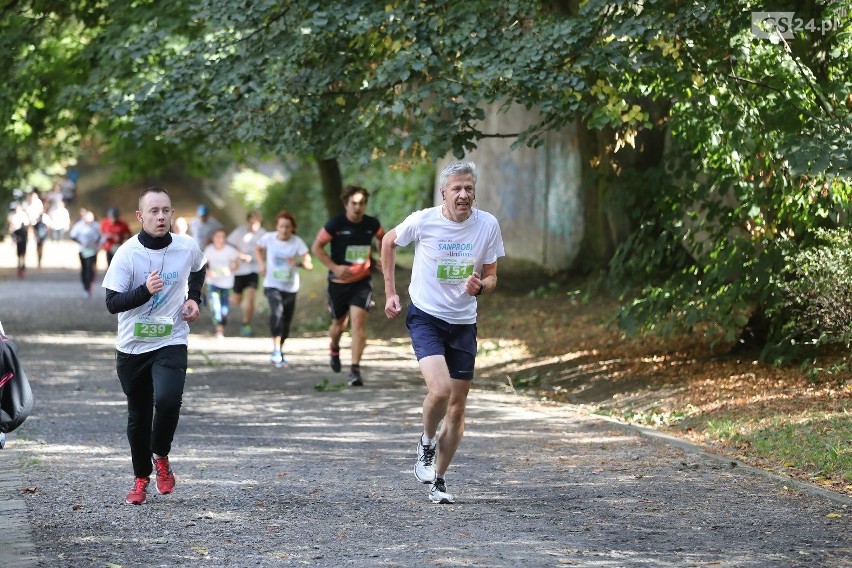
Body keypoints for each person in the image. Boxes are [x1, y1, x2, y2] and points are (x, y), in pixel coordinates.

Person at [381, 161, 505, 505]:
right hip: (427, 316)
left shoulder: (488, 225)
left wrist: (481, 286)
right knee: (440, 390)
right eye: (457, 189)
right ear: (444, 193)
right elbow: (389, 242)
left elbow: (493, 276)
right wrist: (391, 291)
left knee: (458, 407)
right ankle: (425, 442)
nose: (463, 194)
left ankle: (439, 479)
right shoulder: (424, 220)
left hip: (463, 323)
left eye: (469, 188)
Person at [102, 186, 206, 505]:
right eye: (153, 211)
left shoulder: (187, 246)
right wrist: (145, 291)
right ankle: (140, 478)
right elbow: (112, 303)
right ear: (140, 216)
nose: (161, 216)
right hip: (133, 347)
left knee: (169, 399)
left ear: (172, 213)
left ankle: (160, 456)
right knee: (139, 414)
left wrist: (193, 298)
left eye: (166, 210)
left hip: (171, 338)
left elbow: (200, 269)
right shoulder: (127, 253)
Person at [310, 185, 385, 386]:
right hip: (338, 283)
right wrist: (334, 267)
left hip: (361, 282)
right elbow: (316, 247)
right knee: (338, 326)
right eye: (354, 203)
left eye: (361, 203)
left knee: (358, 325)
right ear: (346, 204)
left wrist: (381, 258)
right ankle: (334, 347)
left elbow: (383, 239)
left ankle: (355, 369)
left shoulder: (371, 224)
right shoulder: (335, 224)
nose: (357, 207)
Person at [256, 210, 313, 368]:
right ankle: (276, 351)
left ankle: (279, 350)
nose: (284, 230)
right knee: (277, 313)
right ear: (277, 227)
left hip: (290, 288)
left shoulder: (297, 242)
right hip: (272, 285)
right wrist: (261, 263)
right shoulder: (268, 238)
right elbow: (258, 248)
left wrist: (299, 263)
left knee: (286, 321)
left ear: (292, 228)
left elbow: (309, 264)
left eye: (287, 227)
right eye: (281, 226)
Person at [227, 211, 266, 336]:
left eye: (257, 223)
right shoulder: (239, 232)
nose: (254, 225)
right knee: (237, 301)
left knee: (251, 296)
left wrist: (262, 258)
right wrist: (241, 255)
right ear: (248, 221)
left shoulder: (263, 234)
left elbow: (267, 248)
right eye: (252, 222)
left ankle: (246, 324)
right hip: (240, 270)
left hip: (253, 270)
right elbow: (228, 245)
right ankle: (224, 300)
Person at [203, 228, 241, 339]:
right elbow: (204, 264)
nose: (220, 239)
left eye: (223, 237)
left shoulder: (230, 250)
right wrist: (208, 272)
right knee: (215, 305)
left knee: (224, 309)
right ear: (213, 238)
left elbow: (237, 265)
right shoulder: (209, 249)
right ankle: (219, 329)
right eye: (218, 237)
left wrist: (230, 270)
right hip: (212, 282)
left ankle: (222, 322)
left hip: (226, 282)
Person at [68, 209, 103, 298]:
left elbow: (100, 236)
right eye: (88, 221)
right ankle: (85, 287)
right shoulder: (79, 225)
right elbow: (72, 236)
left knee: (91, 268)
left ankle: (89, 285)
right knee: (85, 269)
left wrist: (98, 242)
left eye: (91, 221)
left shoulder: (96, 225)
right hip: (82, 250)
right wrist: (81, 242)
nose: (89, 223)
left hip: (93, 249)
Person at [8, 203, 29, 278]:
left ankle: (22, 265)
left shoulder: (24, 216)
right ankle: (20, 265)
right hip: (19, 239)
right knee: (19, 253)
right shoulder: (14, 216)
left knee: (22, 253)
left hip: (22, 239)